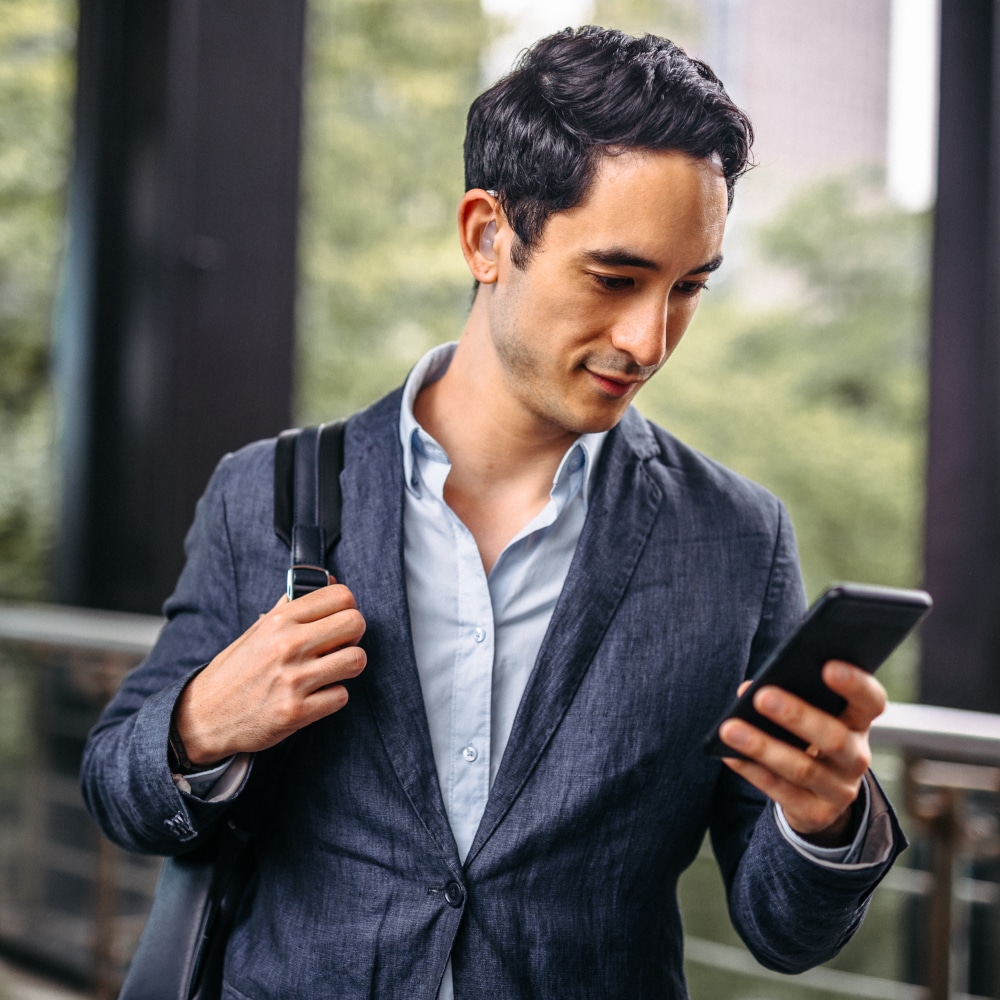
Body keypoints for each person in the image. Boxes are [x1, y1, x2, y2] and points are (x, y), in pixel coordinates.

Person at [81, 25, 905, 1000]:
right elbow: (119, 793)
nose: (647, 338)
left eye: (687, 289)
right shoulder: (265, 492)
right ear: (486, 236)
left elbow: (779, 929)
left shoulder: (734, 537)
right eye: (615, 278)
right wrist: (199, 726)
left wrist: (823, 819)